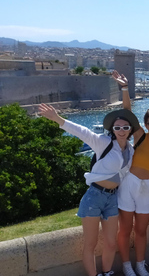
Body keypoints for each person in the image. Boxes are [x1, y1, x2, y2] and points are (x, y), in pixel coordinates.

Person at [38, 103, 140, 276]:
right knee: (90, 244)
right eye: (117, 127)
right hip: (94, 196)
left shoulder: (130, 150)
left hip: (112, 198)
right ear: (112, 129)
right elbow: (83, 132)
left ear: (130, 130)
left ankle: (106, 272)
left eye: (125, 127)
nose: (121, 130)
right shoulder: (104, 142)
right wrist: (58, 119)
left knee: (110, 243)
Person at [113, 71, 149, 276]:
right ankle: (127, 266)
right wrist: (125, 88)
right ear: (146, 126)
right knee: (125, 229)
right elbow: (127, 112)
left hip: (147, 191)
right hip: (130, 184)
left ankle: (140, 264)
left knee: (141, 230)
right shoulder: (140, 137)